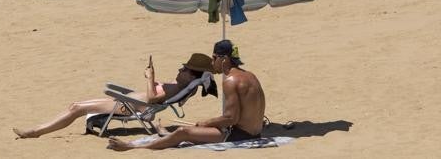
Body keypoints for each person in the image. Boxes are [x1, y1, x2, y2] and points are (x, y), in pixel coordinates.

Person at [107, 40, 265, 151]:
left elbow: (232, 118)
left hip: (239, 135)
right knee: (193, 129)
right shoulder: (250, 76)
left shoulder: (230, 81)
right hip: (255, 132)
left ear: (224, 60)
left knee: (184, 132)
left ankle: (133, 146)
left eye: (214, 58)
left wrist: (206, 122)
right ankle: (167, 135)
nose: (212, 62)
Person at [14, 53, 215, 139]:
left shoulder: (176, 87)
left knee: (76, 107)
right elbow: (156, 96)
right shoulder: (180, 85)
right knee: (76, 106)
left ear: (191, 76)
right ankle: (37, 130)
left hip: (129, 107)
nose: (180, 69)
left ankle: (36, 131)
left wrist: (150, 76)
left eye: (184, 69)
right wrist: (154, 81)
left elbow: (152, 99)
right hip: (130, 103)